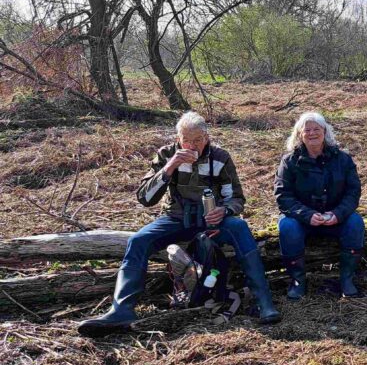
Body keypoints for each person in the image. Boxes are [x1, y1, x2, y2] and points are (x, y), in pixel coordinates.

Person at [78, 112, 280, 337]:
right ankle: (121, 309)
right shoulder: (166, 154)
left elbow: (236, 198)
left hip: (211, 219)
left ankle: (264, 303)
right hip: (176, 218)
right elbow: (145, 198)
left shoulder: (220, 158)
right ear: (178, 138)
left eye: (197, 140)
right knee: (138, 241)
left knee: (240, 229)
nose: (192, 145)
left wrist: (224, 210)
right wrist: (170, 166)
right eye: (186, 140)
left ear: (207, 137)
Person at [275, 112, 366, 299]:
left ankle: (347, 280)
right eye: (307, 130)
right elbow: (283, 196)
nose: (312, 133)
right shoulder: (289, 161)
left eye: (317, 129)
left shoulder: (343, 159)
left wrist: (338, 214)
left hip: (336, 217)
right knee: (287, 227)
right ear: (299, 135)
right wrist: (307, 215)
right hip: (302, 219)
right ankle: (298, 281)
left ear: (325, 132)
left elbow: (353, 192)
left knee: (355, 223)